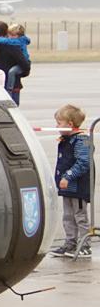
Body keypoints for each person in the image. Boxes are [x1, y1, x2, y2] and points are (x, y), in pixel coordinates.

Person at [52, 104, 92, 259]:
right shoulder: (67, 139)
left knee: (80, 216)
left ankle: (85, 245)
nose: (56, 126)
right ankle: (70, 242)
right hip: (67, 187)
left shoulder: (82, 140)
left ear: (70, 124)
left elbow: (83, 163)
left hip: (78, 187)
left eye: (59, 123)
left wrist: (67, 176)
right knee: (68, 216)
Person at [0, 21, 32, 104]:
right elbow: (25, 65)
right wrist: (24, 73)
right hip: (14, 85)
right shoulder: (13, 46)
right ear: (7, 32)